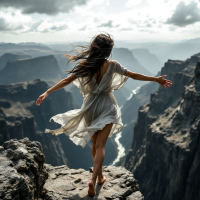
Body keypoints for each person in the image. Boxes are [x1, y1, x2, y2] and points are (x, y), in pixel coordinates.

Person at [35, 33, 172, 196]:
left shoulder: (85, 65)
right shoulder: (113, 65)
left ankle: (99, 177)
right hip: (108, 105)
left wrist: (47, 92)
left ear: (93, 47)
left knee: (94, 143)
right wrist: (155, 79)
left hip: (90, 107)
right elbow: (133, 75)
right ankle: (95, 179)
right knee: (101, 145)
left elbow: (67, 80)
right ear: (109, 51)